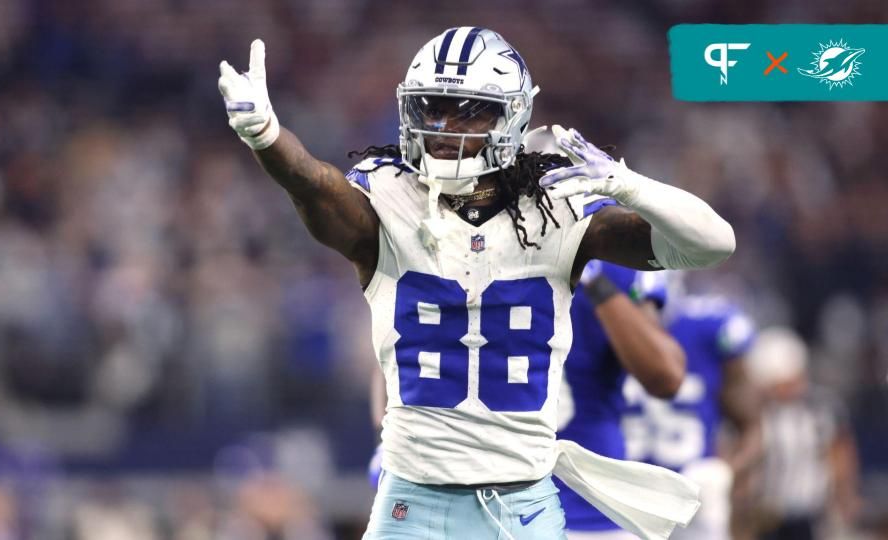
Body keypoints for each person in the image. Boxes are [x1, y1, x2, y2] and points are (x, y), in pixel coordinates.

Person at [218, 27, 735, 540]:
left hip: (522, 502)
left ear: (513, 116)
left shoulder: (559, 210)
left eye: (469, 110)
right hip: (411, 498)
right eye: (433, 107)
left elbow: (712, 244)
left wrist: (629, 185)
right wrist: (267, 136)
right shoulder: (389, 196)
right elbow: (316, 187)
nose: (444, 126)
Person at [554, 262, 686, 540]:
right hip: (483, 488)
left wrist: (594, 278)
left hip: (590, 502)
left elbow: (665, 376)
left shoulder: (614, 261)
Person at [622, 291, 762, 540]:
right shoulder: (595, 319)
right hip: (615, 495)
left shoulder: (711, 324)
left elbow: (752, 429)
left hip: (694, 503)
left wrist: (725, 476)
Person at [745, 327, 861, 540]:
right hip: (765, 513)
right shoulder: (754, 412)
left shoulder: (821, 408)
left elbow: (839, 454)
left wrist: (844, 497)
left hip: (809, 512)